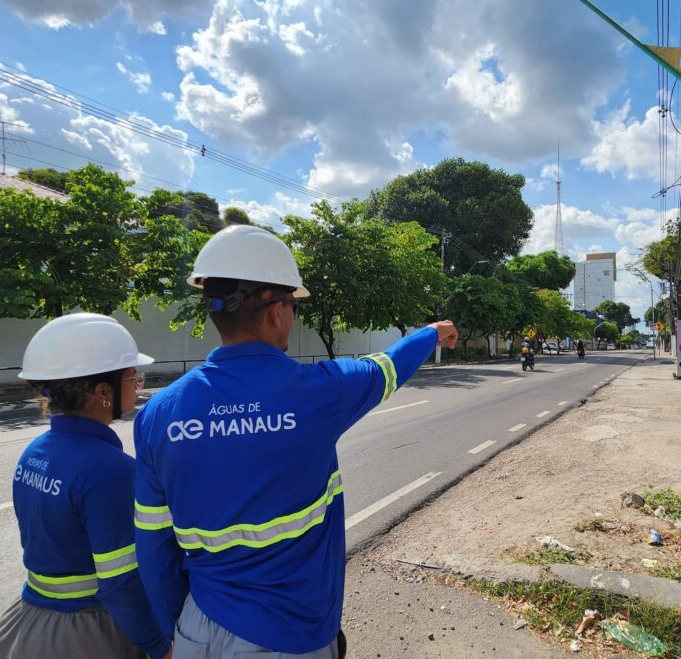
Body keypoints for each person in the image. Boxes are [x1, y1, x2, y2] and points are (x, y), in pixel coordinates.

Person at [132, 225, 459, 659]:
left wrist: (172, 635)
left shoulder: (158, 413)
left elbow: (153, 545)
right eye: (292, 303)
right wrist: (434, 331)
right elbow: (387, 367)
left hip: (197, 626)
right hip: (288, 635)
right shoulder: (318, 392)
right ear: (274, 312)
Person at [0, 313, 171, 659]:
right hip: (87, 634)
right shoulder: (109, 470)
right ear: (104, 392)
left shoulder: (35, 452)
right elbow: (120, 583)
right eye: (133, 377)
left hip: (26, 624)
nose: (139, 385)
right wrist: (159, 647)